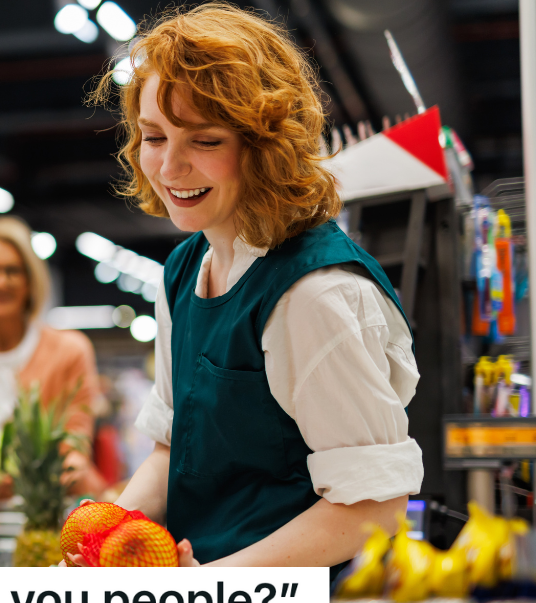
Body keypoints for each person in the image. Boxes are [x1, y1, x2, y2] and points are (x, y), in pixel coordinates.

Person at [67, 5, 423, 570]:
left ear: (265, 146)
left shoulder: (314, 294)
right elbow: (171, 447)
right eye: (155, 136)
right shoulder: (183, 271)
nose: (169, 167)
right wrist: (105, 545)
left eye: (205, 141)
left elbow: (373, 508)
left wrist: (209, 587)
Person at [0, 216, 106, 497]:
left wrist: (67, 469)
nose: (0, 282)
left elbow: (76, 443)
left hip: (61, 508)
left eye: (13, 270)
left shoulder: (71, 350)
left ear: (29, 279)